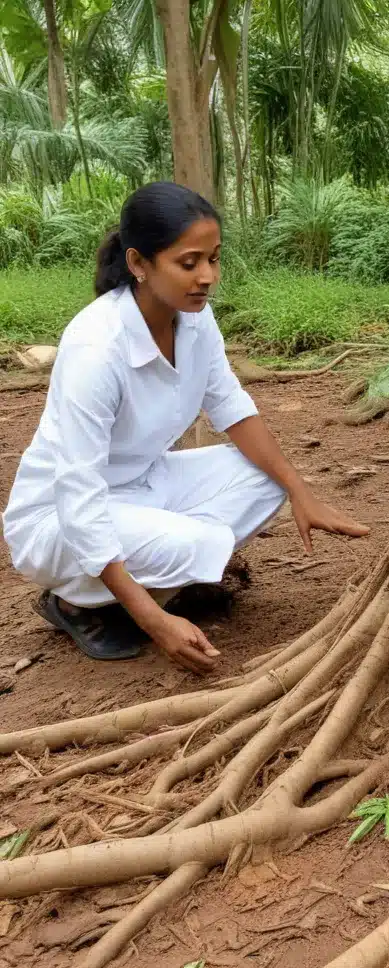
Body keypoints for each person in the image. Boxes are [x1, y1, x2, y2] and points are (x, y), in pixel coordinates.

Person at [3, 182, 368, 671]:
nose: (207, 277)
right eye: (189, 262)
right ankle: (75, 603)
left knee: (266, 480)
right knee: (191, 544)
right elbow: (79, 492)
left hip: (139, 486)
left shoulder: (195, 320)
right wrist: (154, 622)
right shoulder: (96, 348)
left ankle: (145, 579)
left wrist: (302, 492)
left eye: (214, 259)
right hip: (56, 518)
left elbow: (231, 406)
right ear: (138, 264)